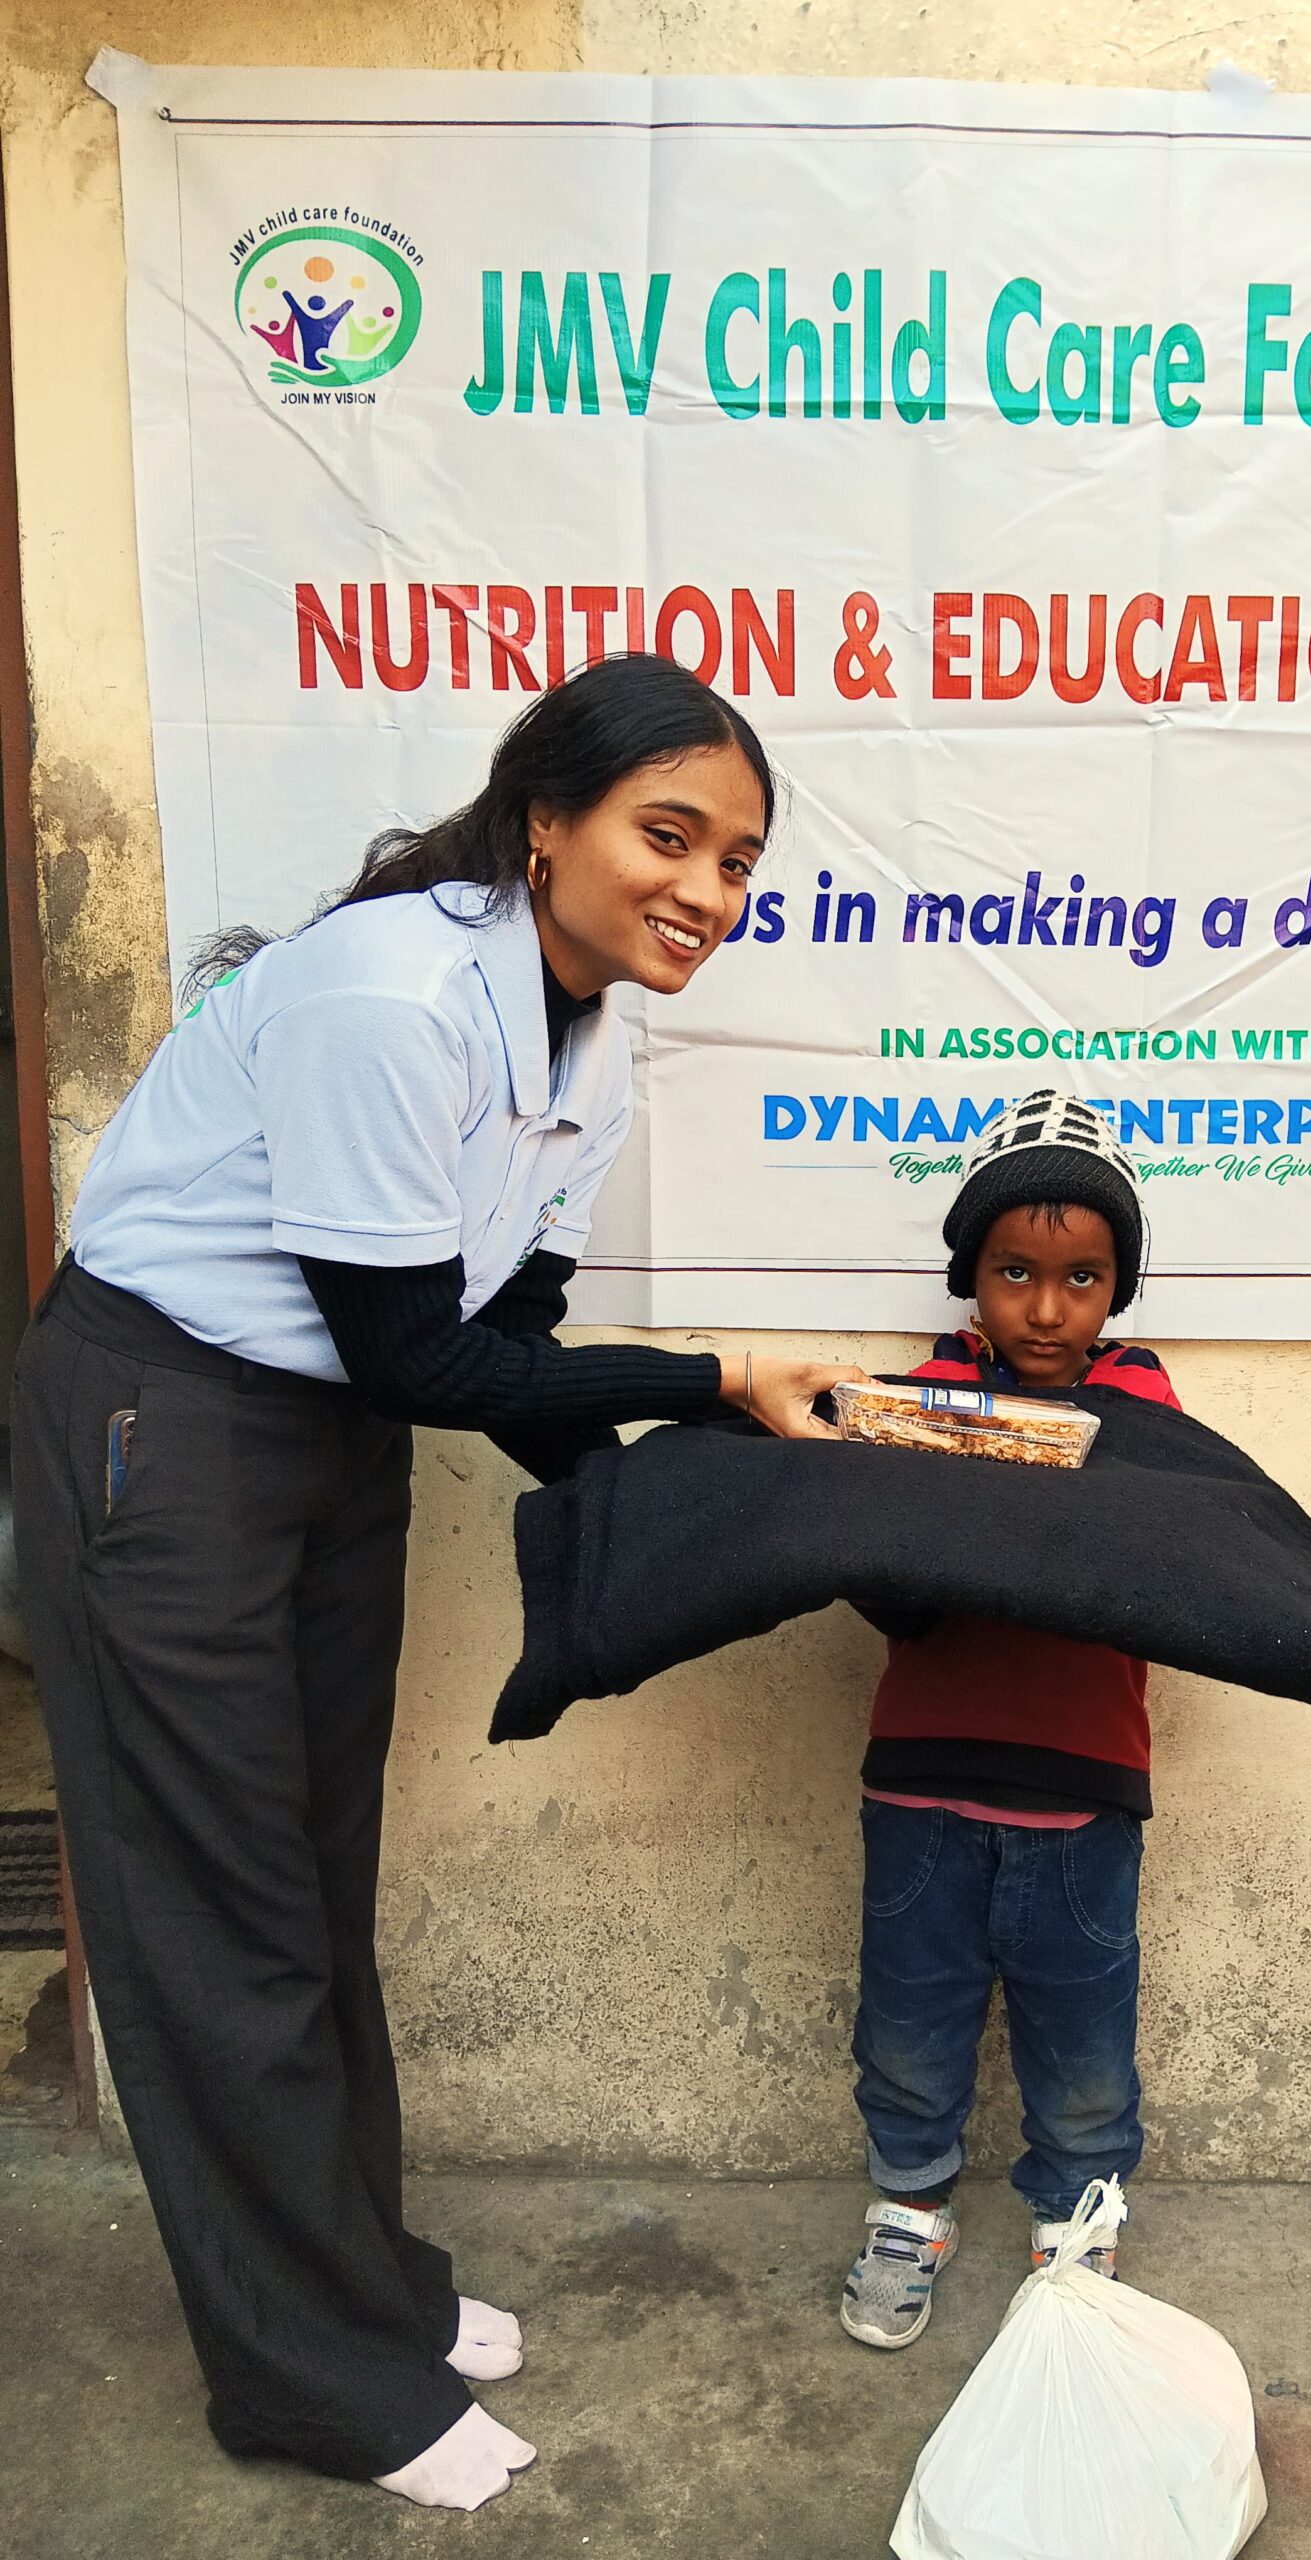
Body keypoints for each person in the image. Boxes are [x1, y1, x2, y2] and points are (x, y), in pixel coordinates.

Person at [12, 654, 862, 2508]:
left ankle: (357, 2287)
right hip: (165, 1422)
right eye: (669, 837)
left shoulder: (592, 1027)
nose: (706, 895)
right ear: (542, 820)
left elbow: (506, 1329)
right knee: (211, 1911)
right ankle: (308, 2375)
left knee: (306, 1881)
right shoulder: (395, 993)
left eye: (738, 861)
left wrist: (727, 1499)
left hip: (324, 1429)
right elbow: (426, 1360)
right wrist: (714, 1375)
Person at [838, 1090, 1178, 2350]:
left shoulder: (1148, 1414)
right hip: (920, 1787)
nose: (1046, 1307)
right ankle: (906, 2209)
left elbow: (1154, 1545)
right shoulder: (915, 1397)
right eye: (1015, 1272)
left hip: (1082, 1798)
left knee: (1084, 2039)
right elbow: (874, 1549)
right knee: (908, 2021)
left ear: (1115, 1289)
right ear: (969, 1277)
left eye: (1081, 1277)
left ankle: (1077, 2225)